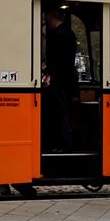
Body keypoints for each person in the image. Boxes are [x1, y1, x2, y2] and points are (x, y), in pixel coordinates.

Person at [43, 8, 77, 153]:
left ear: (52, 16)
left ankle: (63, 145)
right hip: (64, 79)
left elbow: (58, 60)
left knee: (59, 113)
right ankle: (62, 144)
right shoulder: (67, 33)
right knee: (60, 113)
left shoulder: (59, 35)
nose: (45, 21)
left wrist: (49, 73)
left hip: (60, 81)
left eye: (47, 17)